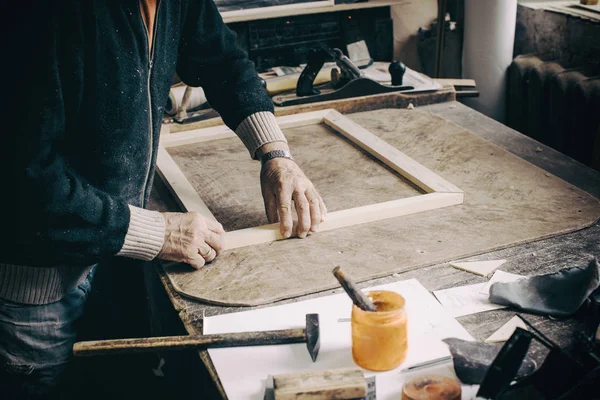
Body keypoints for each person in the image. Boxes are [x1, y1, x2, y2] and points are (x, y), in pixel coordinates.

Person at [0, 1, 326, 398]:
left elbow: (222, 61)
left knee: (117, 383)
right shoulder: (37, 14)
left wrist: (275, 153)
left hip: (112, 252)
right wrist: (155, 231)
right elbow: (24, 179)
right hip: (37, 284)